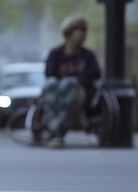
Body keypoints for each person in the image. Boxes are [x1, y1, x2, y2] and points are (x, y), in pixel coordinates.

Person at [41, 15, 101, 148]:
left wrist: (75, 79)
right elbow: (49, 74)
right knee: (51, 84)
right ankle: (55, 131)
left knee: (69, 84)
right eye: (79, 31)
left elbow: (95, 73)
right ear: (69, 34)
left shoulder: (88, 56)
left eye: (84, 31)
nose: (83, 35)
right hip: (57, 93)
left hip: (80, 93)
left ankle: (54, 131)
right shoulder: (55, 54)